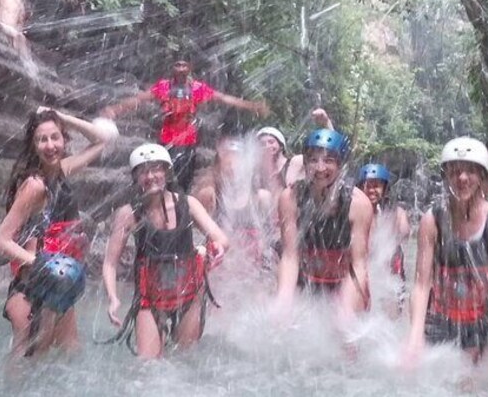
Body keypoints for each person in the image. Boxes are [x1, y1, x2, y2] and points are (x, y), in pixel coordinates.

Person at [0, 107, 118, 358]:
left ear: (64, 139)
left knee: (68, 357)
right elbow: (1, 241)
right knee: (26, 367)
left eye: (55, 137)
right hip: (32, 289)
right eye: (42, 139)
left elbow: (104, 140)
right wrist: (41, 263)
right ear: (33, 146)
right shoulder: (34, 185)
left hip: (58, 285)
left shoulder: (60, 171)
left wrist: (60, 117)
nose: (50, 145)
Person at [404, 137, 488, 388]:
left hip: (486, 320)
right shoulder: (431, 220)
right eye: (455, 171)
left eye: (470, 171)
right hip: (443, 320)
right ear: (446, 176)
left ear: (482, 176)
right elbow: (421, 285)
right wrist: (414, 337)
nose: (462, 178)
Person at [102, 143, 229, 358]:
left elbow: (221, 239)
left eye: (156, 169)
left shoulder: (188, 204)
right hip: (149, 297)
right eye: (143, 171)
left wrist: (212, 249)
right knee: (149, 367)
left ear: (167, 172)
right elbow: (110, 263)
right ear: (135, 178)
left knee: (186, 360)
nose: (150, 176)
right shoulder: (128, 214)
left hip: (189, 291)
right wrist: (113, 298)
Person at [101, 56, 269, 191]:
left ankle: (182, 207)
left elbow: (223, 98)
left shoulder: (197, 88)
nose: (180, 68)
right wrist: (115, 109)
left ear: (189, 68)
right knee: (164, 175)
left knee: (184, 179)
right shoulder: (164, 87)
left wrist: (251, 106)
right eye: (177, 65)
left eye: (183, 65)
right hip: (167, 139)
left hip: (188, 141)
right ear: (172, 69)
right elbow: (139, 99)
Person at [275, 129, 373, 342]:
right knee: (285, 332)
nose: (320, 168)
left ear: (340, 164)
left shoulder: (359, 204)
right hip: (307, 279)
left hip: (345, 280)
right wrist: (283, 302)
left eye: (328, 160)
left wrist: (345, 309)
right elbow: (290, 256)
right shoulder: (289, 198)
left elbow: (358, 265)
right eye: (313, 160)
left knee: (344, 334)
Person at [193, 132, 275, 269]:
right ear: (218, 167)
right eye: (228, 164)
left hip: (254, 270)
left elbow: (268, 238)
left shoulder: (261, 197)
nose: (233, 168)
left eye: (237, 162)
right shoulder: (210, 195)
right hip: (222, 269)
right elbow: (200, 237)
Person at [357, 163, 411, 318]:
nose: (372, 190)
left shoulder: (395, 212)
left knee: (391, 317)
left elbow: (405, 232)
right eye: (367, 186)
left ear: (385, 189)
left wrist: (399, 221)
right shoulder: (354, 211)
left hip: (390, 272)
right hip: (365, 269)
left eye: (377, 186)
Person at [259, 108, 335, 194]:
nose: (267, 146)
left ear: (281, 145)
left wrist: (326, 122)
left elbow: (332, 154)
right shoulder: (258, 172)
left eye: (271, 142)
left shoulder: (296, 162)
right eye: (262, 144)